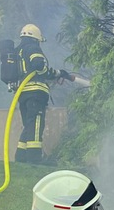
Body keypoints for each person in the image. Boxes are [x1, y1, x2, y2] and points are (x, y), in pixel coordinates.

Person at [14, 24, 73, 164]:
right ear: (36, 38)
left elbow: (32, 70)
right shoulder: (32, 47)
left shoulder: (18, 51)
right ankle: (34, 160)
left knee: (29, 126)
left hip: (23, 94)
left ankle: (21, 158)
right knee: (35, 126)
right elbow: (39, 66)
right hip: (35, 93)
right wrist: (57, 73)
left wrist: (54, 76)